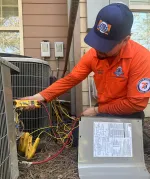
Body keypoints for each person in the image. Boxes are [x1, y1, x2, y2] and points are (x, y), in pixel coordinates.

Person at [22, 3, 150, 120]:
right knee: (79, 140)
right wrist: (41, 97)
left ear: (125, 40)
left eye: (106, 45)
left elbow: (135, 103)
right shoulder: (94, 54)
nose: (98, 49)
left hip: (129, 113)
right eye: (98, 41)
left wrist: (96, 110)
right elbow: (71, 79)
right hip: (103, 108)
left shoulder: (141, 58)